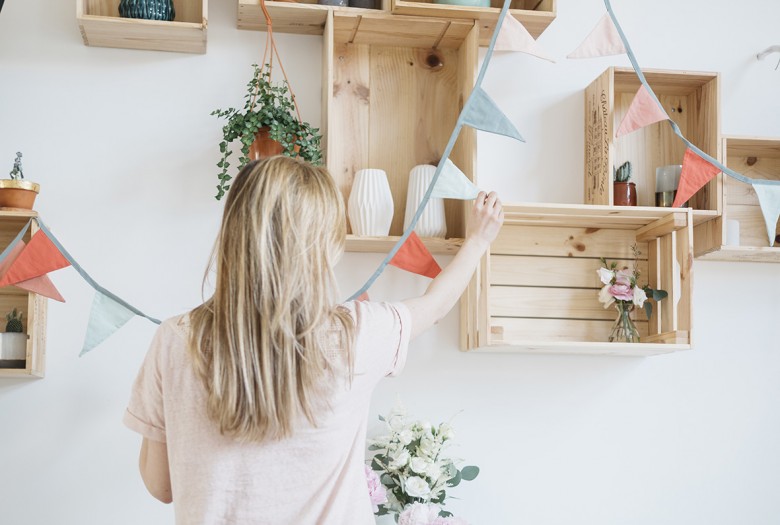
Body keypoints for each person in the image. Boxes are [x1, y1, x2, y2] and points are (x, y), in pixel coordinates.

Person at [123, 156, 503, 524]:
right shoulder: (356, 333)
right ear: (321, 246)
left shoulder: (175, 340)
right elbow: (435, 305)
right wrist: (477, 240)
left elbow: (160, 485)